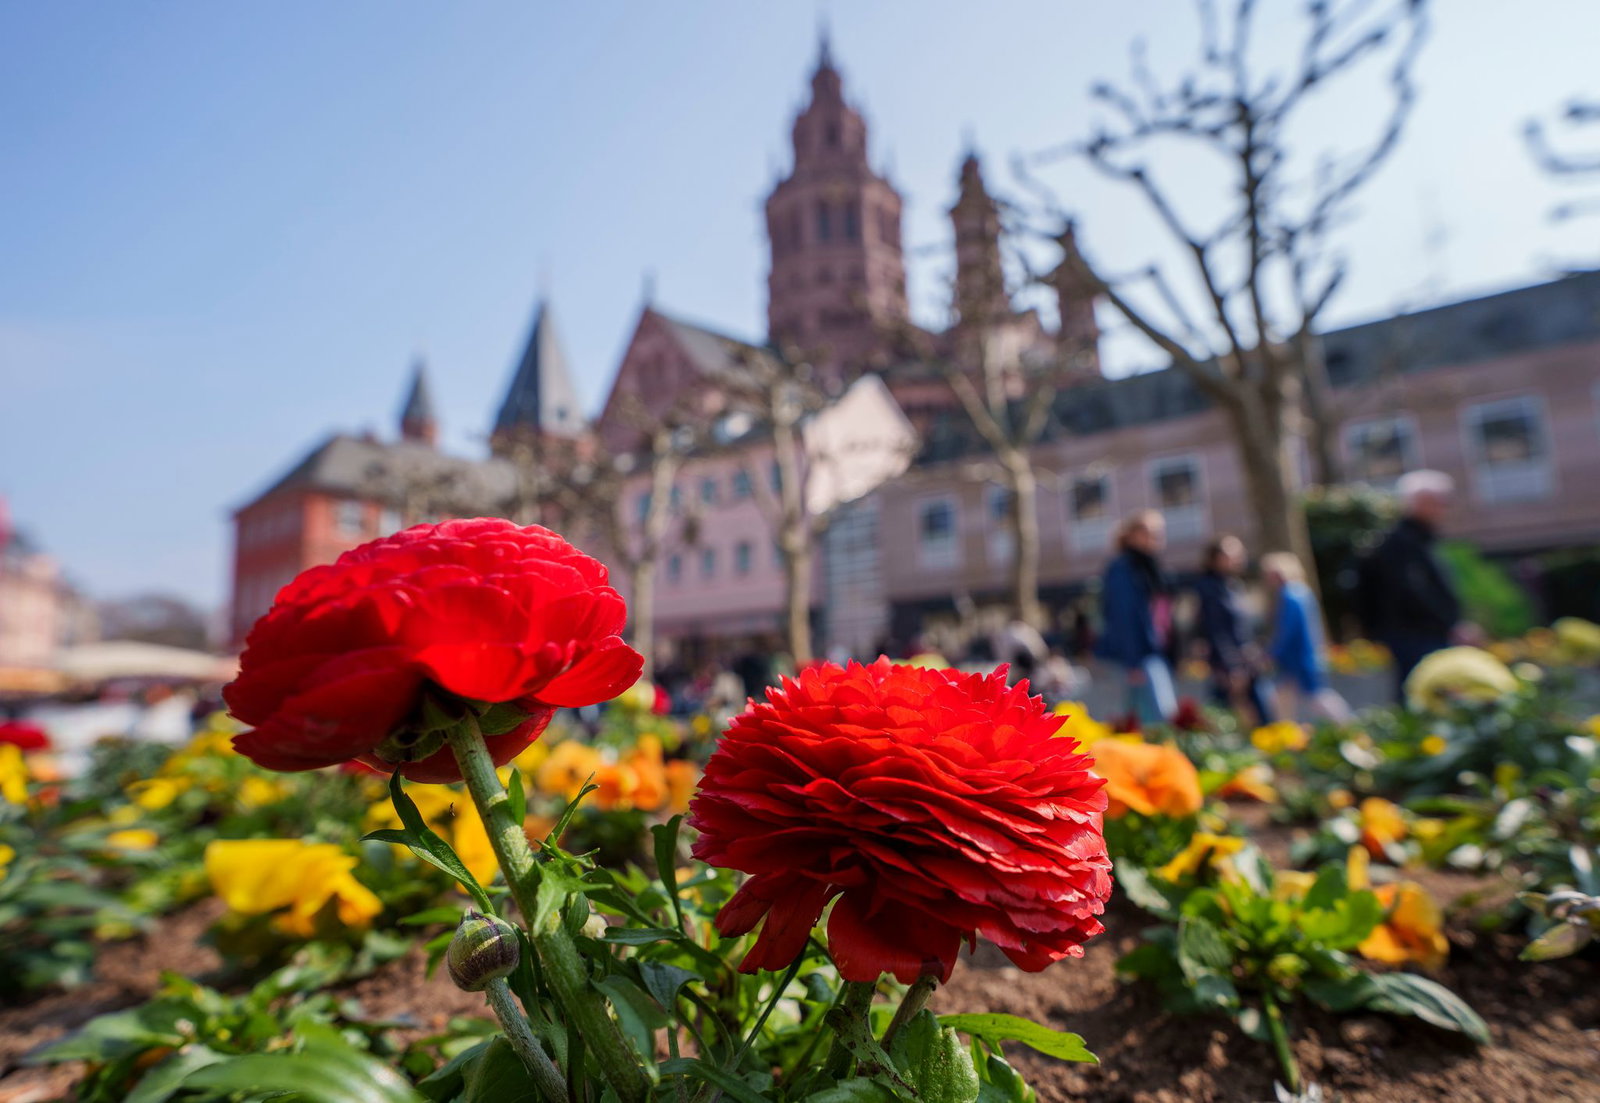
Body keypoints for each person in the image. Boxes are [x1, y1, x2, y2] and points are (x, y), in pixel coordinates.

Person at [1358, 470, 1465, 701]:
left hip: (1421, 634)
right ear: (1420, 502)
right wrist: (1450, 623)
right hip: (1415, 636)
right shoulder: (1402, 543)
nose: (1444, 509)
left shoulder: (1420, 539)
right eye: (1440, 502)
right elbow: (1414, 592)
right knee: (1422, 698)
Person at [1094, 510, 1176, 726]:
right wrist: (1133, 662)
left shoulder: (1149, 565)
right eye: (1149, 532)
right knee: (1155, 720)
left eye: (1159, 532)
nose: (1156, 538)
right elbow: (1124, 615)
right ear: (1132, 535)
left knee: (1146, 718)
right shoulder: (1123, 568)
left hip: (1152, 652)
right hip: (1136, 657)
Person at [1194, 534, 1274, 727]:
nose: (1239, 557)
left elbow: (1243, 626)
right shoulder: (1210, 588)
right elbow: (1215, 629)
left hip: (1246, 660)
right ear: (1215, 558)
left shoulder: (1233, 585)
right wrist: (1231, 666)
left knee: (1252, 711)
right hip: (1230, 663)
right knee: (1222, 712)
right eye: (1232, 553)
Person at [1263, 552, 1351, 723]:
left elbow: (1288, 630)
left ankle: (1348, 725)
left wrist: (1272, 652)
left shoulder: (1290, 594)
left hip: (1298, 656)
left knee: (1318, 697)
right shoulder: (1302, 591)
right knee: (1282, 697)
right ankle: (1285, 735)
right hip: (1304, 654)